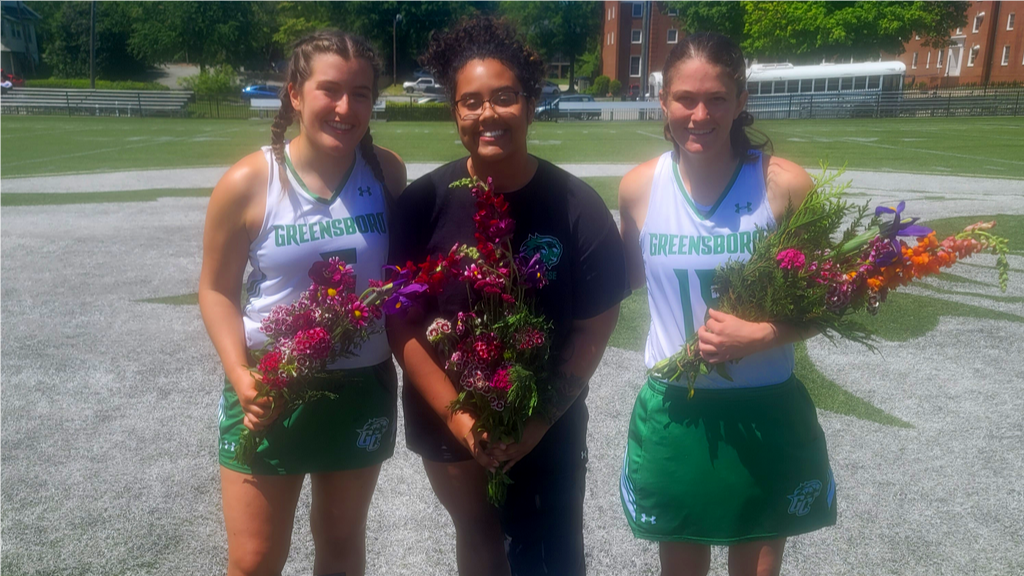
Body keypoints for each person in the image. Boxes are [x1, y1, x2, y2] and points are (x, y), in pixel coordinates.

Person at [388, 16, 630, 576]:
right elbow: (401, 324)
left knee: (550, 553)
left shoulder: (576, 206)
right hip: (449, 416)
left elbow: (596, 324)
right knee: (478, 536)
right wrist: (461, 421)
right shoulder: (423, 203)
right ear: (453, 111)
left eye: (503, 97)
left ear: (531, 102)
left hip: (548, 414)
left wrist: (539, 420)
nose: (487, 114)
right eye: (469, 102)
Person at [617, 32, 837, 576]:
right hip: (677, 412)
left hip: (764, 411)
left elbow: (830, 297)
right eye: (685, 98)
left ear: (741, 101)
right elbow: (626, 280)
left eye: (716, 98)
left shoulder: (783, 184)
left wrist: (758, 336)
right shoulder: (639, 188)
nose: (699, 114)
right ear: (662, 100)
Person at [198, 30, 406, 576]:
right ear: (295, 93)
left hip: (361, 388)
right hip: (269, 388)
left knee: (340, 548)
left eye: (361, 93)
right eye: (329, 90)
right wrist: (241, 374)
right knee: (254, 560)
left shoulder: (388, 172)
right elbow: (216, 289)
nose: (345, 107)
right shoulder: (249, 181)